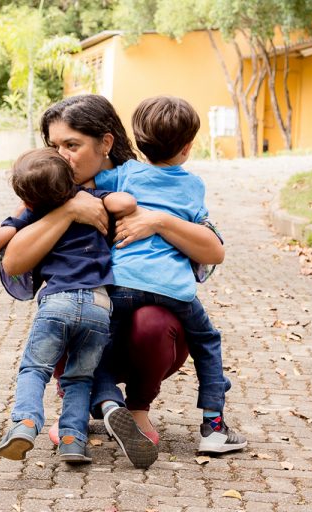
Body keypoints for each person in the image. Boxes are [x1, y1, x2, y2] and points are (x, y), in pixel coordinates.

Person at [0, 95, 226, 467]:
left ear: (105, 143)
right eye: (53, 146)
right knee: (66, 308)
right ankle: (84, 406)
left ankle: (135, 410)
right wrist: (69, 210)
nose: (60, 156)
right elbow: (13, 261)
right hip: (77, 333)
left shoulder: (141, 180)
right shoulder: (47, 187)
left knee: (154, 318)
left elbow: (214, 250)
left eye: (72, 145)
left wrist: (158, 221)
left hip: (143, 338)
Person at [91, 96, 247, 454]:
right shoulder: (194, 186)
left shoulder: (124, 173)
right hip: (173, 291)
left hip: (122, 282)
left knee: (96, 341)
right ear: (188, 147)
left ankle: (106, 400)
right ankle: (213, 426)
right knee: (208, 341)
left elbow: (89, 183)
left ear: (138, 140)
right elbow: (205, 235)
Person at [0, 147, 136, 464]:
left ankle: (25, 423)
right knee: (80, 378)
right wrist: (102, 198)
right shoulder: (89, 198)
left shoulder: (36, 213)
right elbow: (126, 203)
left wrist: (20, 215)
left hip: (59, 301)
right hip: (99, 305)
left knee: (35, 369)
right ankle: (72, 440)